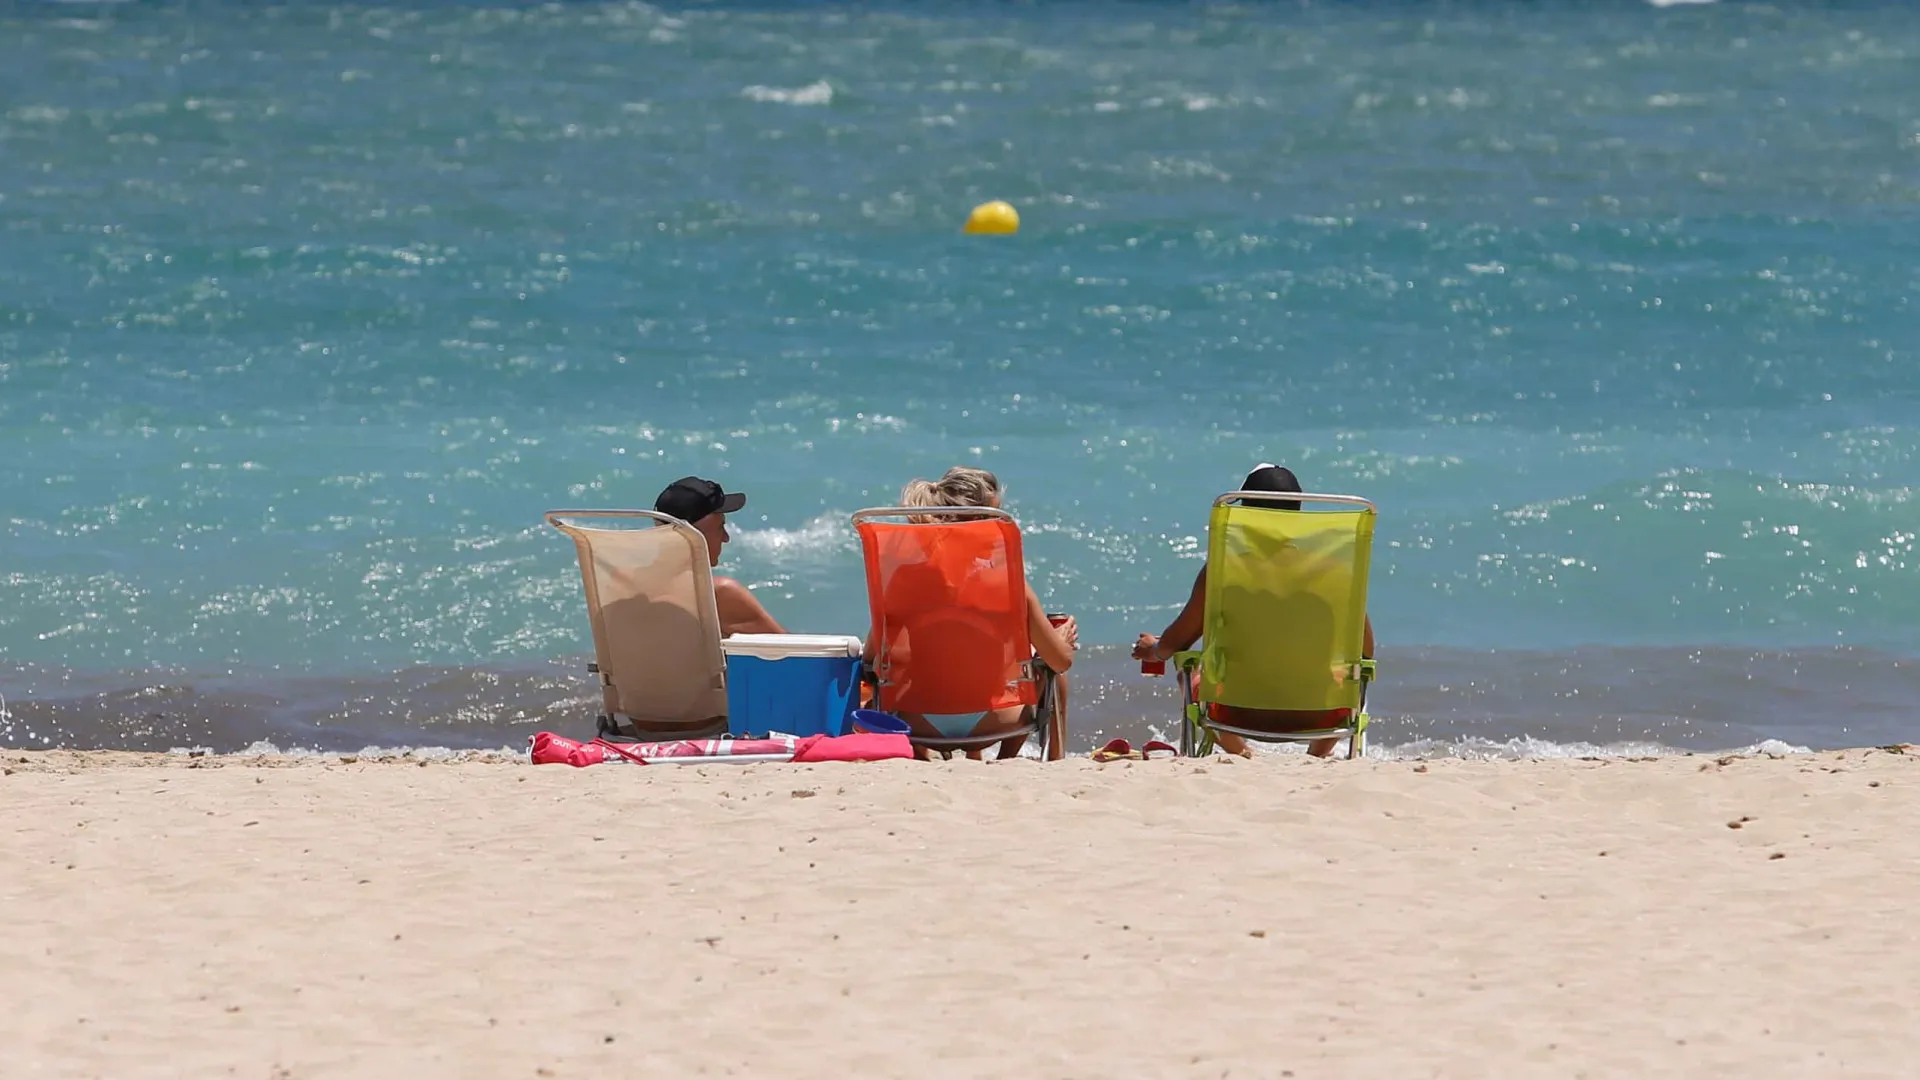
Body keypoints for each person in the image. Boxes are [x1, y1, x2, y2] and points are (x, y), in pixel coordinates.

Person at [1131, 464, 1376, 759]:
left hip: (1233, 712)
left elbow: (1176, 643)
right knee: (1349, 677)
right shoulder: (1334, 574)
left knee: (1191, 673)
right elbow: (1365, 652)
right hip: (1322, 715)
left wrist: (1154, 649)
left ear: (1245, 515)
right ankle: (1316, 755)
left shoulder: (1222, 573)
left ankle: (1243, 752)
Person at [867, 466, 1078, 760]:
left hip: (920, 725)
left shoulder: (903, 580)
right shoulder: (1010, 586)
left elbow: (869, 660)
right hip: (995, 722)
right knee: (1052, 674)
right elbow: (1061, 661)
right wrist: (1061, 637)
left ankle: (924, 757)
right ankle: (1045, 761)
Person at [653, 476, 786, 638]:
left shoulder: (627, 588)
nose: (726, 538)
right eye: (720, 527)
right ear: (692, 537)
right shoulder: (717, 595)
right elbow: (793, 657)